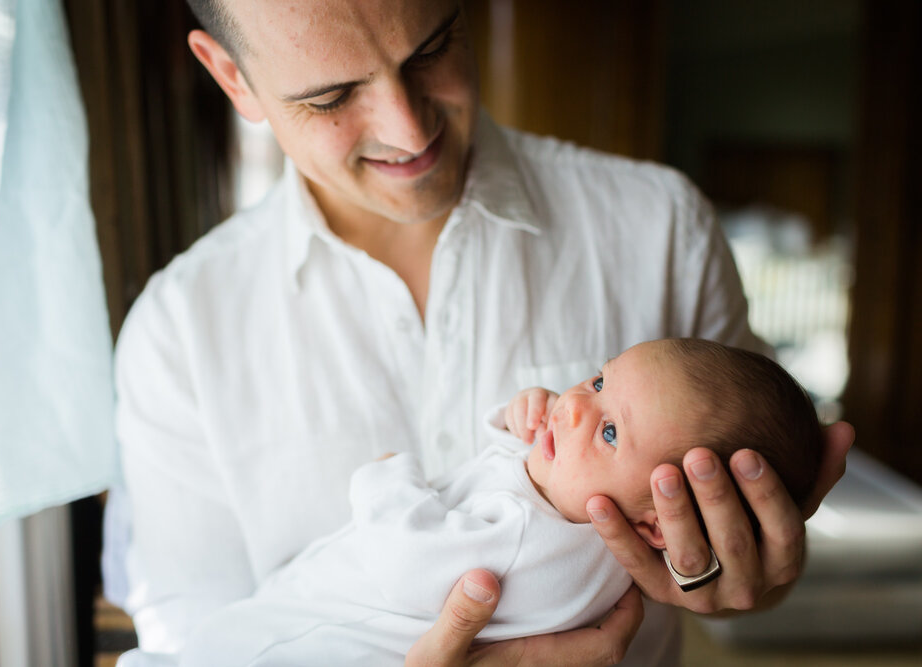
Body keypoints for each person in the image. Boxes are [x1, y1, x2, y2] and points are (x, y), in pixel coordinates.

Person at [108, 1, 855, 664]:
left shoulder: (661, 228)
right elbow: (195, 641)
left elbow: (747, 531)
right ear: (232, 77)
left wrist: (746, 573)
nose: (409, 129)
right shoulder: (178, 332)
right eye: (332, 96)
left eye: (430, 47)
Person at [174, 338, 823, 666]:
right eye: (597, 380)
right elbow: (495, 478)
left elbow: (405, 557)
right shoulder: (579, 525)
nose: (571, 402)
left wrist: (383, 480)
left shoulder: (523, 534)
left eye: (609, 429)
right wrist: (522, 426)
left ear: (661, 523)